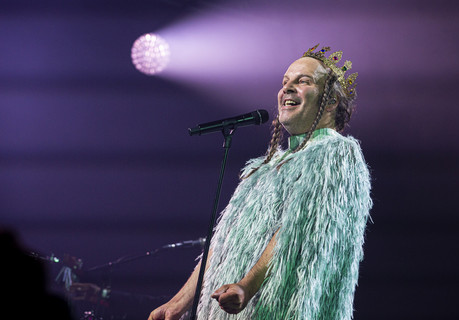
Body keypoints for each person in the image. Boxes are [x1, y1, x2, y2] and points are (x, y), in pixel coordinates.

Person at [148, 44, 372, 320]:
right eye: (285, 82)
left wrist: (246, 286)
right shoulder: (264, 168)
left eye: (303, 81)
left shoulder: (337, 153)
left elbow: (297, 227)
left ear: (330, 101)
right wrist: (177, 304)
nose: (287, 89)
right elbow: (223, 243)